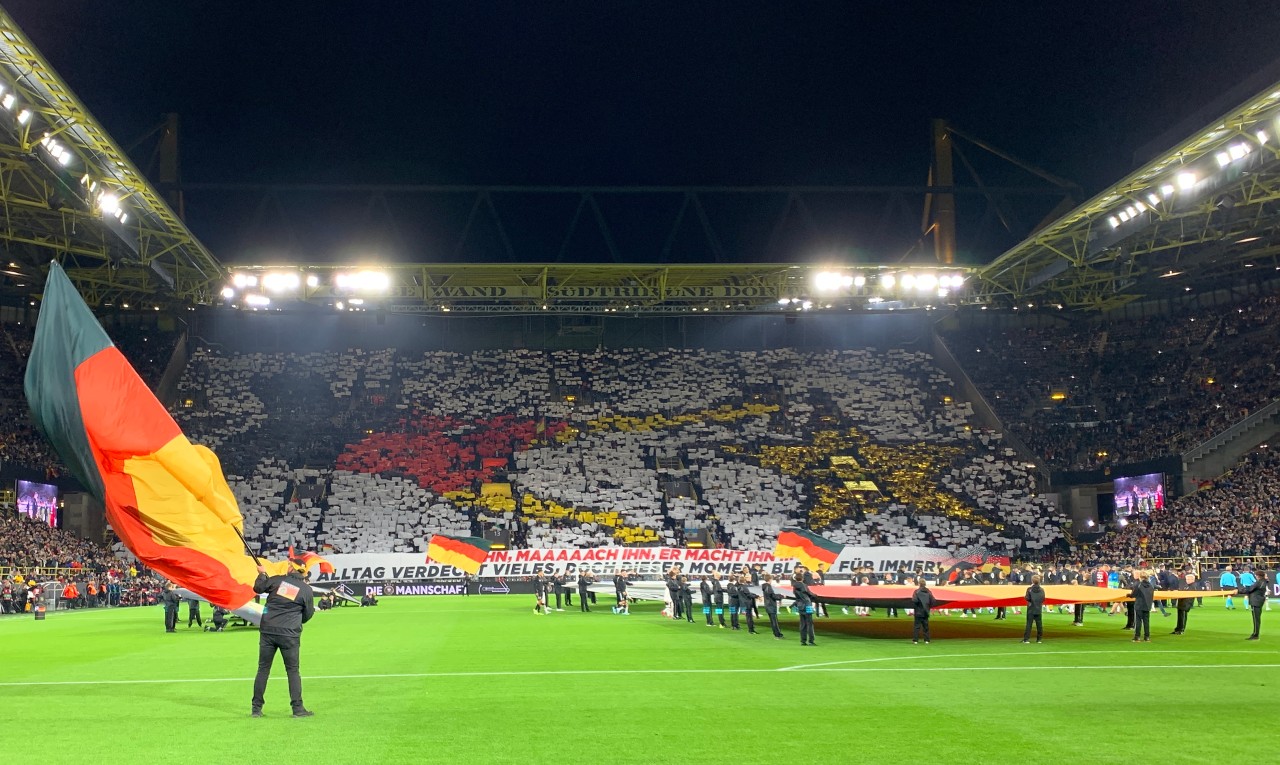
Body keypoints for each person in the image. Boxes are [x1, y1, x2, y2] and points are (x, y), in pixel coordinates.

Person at [251, 559, 316, 718]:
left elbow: (258, 588)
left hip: (268, 631)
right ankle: (298, 709)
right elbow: (308, 614)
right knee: (293, 671)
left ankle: (256, 709)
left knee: (263, 669)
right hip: (289, 634)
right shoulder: (306, 590)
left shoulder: (277, 580)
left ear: (290, 568)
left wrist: (261, 575)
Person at [1240, 574, 1268, 640]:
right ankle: (1255, 633)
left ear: (1258, 576)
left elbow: (1250, 589)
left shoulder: (1258, 582)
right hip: (1258, 601)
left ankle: (1255, 635)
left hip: (1256, 601)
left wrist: (1239, 591)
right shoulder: (1263, 582)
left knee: (1256, 619)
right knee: (1257, 619)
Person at [1129, 572, 1155, 643]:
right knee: (1146, 622)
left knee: (1138, 621)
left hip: (1139, 605)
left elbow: (1134, 594)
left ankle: (1137, 637)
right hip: (1147, 605)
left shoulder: (1139, 585)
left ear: (1140, 577)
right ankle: (1147, 637)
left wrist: (1128, 595)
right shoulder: (1151, 585)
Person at [792, 571, 816, 646]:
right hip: (807, 605)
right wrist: (815, 595)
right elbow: (809, 593)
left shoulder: (794, 586)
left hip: (800, 605)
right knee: (809, 623)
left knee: (802, 623)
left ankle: (803, 640)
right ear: (802, 578)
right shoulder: (804, 585)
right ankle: (811, 641)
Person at [760, 573, 785, 639]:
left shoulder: (764, 586)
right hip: (771, 605)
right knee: (774, 621)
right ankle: (777, 634)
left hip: (767, 605)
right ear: (770, 579)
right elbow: (772, 596)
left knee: (772, 620)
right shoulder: (768, 587)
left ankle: (776, 633)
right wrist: (781, 596)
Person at [1022, 574, 1045, 643]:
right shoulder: (1042, 590)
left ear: (1032, 581)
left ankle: (1026, 639)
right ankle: (1039, 639)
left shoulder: (1029, 589)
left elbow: (1027, 598)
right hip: (1038, 608)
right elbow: (1043, 598)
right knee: (1039, 624)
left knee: (1029, 624)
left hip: (1031, 608)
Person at [911, 580, 935, 644]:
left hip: (918, 611)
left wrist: (916, 606)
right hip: (926, 611)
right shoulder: (929, 592)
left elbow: (914, 600)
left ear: (919, 584)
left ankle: (915, 640)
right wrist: (928, 606)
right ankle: (927, 640)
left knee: (917, 626)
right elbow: (933, 600)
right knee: (926, 626)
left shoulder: (916, 592)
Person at [1173, 570, 1195, 635]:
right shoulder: (1186, 586)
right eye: (1186, 579)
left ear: (1192, 579)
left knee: (1183, 617)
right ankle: (1177, 628)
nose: (1187, 580)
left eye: (1188, 579)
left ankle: (1181, 629)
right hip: (1181, 603)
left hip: (1185, 605)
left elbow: (1190, 598)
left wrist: (1188, 605)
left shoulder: (1192, 587)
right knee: (1179, 617)